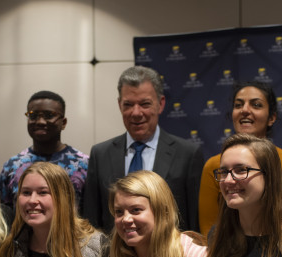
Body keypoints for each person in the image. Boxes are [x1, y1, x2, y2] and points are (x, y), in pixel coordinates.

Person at [83, 66, 204, 232]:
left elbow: (194, 223)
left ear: (160, 104)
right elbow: (92, 222)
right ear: (119, 105)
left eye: (145, 104)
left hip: (170, 255)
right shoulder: (100, 154)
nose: (136, 112)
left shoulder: (188, 155)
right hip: (114, 255)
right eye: (128, 104)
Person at [199, 81, 282, 236]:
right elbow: (208, 233)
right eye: (238, 105)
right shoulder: (213, 166)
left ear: (272, 118)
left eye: (256, 105)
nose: (245, 110)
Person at [0, 91, 89, 209]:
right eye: (33, 115)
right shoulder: (12, 166)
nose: (40, 122)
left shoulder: (84, 164)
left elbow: (92, 213)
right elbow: (3, 214)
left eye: (49, 115)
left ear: (64, 123)